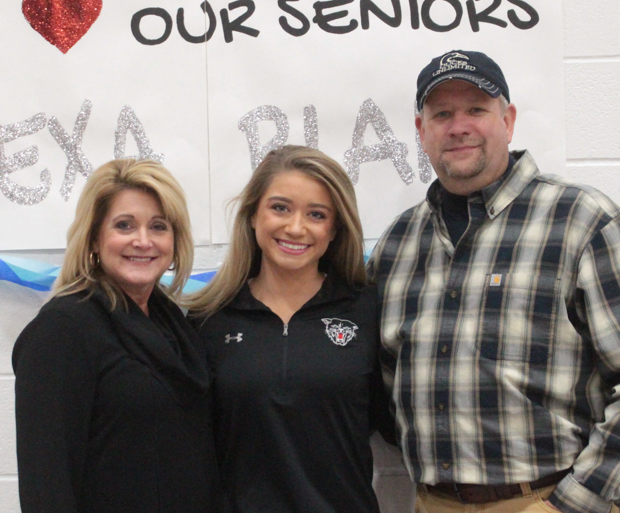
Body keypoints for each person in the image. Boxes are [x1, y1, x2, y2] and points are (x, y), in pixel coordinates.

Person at [367, 49, 620, 513]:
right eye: (442, 113)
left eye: (476, 110)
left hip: (547, 499)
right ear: (421, 132)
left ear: (508, 120)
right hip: (432, 502)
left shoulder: (581, 220)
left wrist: (574, 503)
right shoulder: (397, 244)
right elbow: (385, 384)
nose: (458, 125)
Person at [186, 145, 393, 513]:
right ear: (252, 215)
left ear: (335, 229)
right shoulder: (208, 319)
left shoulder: (368, 310)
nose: (295, 227)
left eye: (316, 214)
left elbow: (391, 420)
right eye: (280, 207)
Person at [13, 159, 219, 513]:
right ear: (94, 238)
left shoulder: (175, 324)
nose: (143, 241)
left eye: (158, 226)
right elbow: (46, 484)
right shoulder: (64, 329)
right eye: (124, 225)